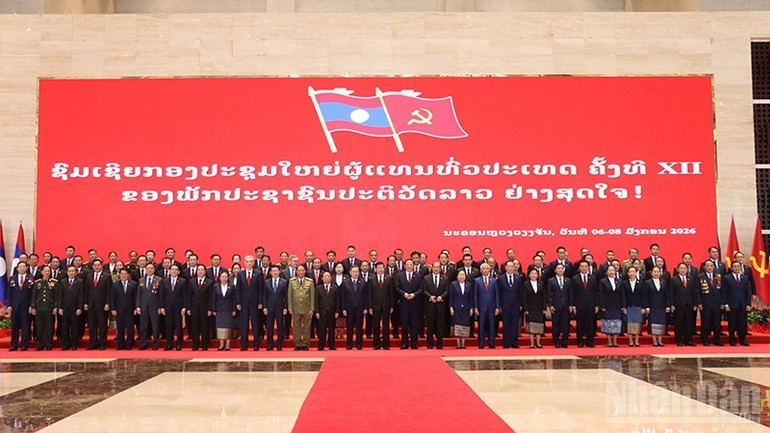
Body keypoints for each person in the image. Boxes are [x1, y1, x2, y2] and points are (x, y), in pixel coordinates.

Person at [236, 255, 264, 351]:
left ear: (253, 263)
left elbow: (261, 289)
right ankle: (244, 344)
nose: (249, 263)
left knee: (255, 324)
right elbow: (238, 289)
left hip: (255, 303)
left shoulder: (258, 273)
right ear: (244, 262)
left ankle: (256, 344)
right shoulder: (240, 274)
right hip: (243, 303)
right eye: (247, 261)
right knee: (244, 325)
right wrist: (238, 302)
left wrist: (260, 302)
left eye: (251, 261)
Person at [395, 259, 424, 349]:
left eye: (411, 264)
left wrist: (414, 294)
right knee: (404, 325)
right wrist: (403, 293)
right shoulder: (400, 276)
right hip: (404, 304)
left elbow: (421, 288)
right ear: (405, 266)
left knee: (414, 324)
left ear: (413, 266)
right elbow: (396, 287)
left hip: (415, 304)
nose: (409, 266)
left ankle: (414, 344)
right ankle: (404, 343)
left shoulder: (418, 276)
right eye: (407, 264)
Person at [84, 258, 112, 351]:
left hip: (102, 304)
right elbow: (86, 290)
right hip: (91, 304)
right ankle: (93, 343)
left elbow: (109, 291)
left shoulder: (107, 276)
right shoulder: (88, 276)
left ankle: (102, 343)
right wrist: (85, 302)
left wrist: (107, 303)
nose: (97, 267)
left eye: (98, 265)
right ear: (92, 266)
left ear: (102, 265)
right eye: (95, 265)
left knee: (102, 324)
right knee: (92, 325)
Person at [723, 261, 752, 346]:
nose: (737, 268)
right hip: (731, 304)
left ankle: (742, 339)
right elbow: (724, 292)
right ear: (731, 268)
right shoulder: (727, 278)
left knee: (742, 323)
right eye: (735, 267)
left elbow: (748, 292)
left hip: (742, 304)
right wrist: (726, 304)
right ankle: (732, 339)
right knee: (732, 323)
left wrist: (748, 304)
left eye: (738, 266)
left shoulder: (745, 278)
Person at [571, 260, 599, 348]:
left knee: (591, 324)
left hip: (591, 305)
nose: (584, 268)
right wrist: (573, 305)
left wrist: (596, 305)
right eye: (582, 266)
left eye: (585, 266)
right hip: (579, 305)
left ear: (588, 267)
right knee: (580, 324)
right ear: (579, 268)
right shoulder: (575, 278)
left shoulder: (593, 278)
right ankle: (580, 341)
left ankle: (590, 341)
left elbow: (596, 292)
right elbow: (572, 293)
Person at [56, 265, 84, 351]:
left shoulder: (80, 281)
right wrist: (60, 307)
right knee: (64, 327)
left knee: (75, 327)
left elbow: (81, 296)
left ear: (76, 272)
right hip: (65, 308)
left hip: (75, 308)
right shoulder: (62, 282)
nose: (71, 273)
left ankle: (74, 344)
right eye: (69, 271)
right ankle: (65, 344)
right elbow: (60, 296)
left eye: (73, 271)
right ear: (67, 272)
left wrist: (80, 308)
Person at [288, 265, 315, 351]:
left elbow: (312, 296)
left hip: (307, 308)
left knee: (307, 327)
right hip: (295, 307)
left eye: (302, 270)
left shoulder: (310, 281)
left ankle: (305, 344)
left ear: (305, 271)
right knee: (296, 327)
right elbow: (290, 295)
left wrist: (312, 308)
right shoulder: (292, 281)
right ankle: (297, 344)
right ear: (296, 271)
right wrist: (290, 307)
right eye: (299, 270)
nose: (301, 272)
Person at [670, 262, 698, 346]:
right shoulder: (673, 279)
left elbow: (694, 292)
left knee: (689, 323)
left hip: (689, 304)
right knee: (678, 323)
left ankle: (688, 340)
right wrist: (671, 304)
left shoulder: (690, 279)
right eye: (681, 268)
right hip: (678, 304)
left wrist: (695, 303)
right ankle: (679, 340)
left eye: (684, 268)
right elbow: (671, 293)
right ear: (678, 269)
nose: (683, 270)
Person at [160, 264, 187, 351]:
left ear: (178, 272)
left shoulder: (183, 281)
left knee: (179, 327)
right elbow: (162, 295)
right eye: (172, 269)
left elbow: (185, 295)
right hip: (167, 307)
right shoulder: (164, 281)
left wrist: (184, 307)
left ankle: (179, 344)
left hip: (179, 308)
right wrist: (162, 306)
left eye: (175, 270)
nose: (173, 271)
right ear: (169, 271)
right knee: (168, 327)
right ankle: (169, 344)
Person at [368, 262, 394, 350]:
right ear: (375, 269)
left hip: (386, 305)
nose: (380, 269)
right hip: (375, 306)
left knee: (386, 325)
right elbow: (369, 294)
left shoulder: (389, 278)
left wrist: (392, 306)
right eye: (378, 268)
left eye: (382, 268)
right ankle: (376, 344)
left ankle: (386, 344)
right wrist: (370, 307)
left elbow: (391, 293)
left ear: (384, 268)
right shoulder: (371, 279)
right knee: (376, 325)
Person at [137, 263, 162, 351]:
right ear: (145, 270)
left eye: (151, 268)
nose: (149, 270)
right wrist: (138, 306)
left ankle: (155, 344)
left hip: (155, 306)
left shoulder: (159, 280)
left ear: (154, 270)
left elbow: (161, 295)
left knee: (155, 326)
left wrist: (160, 307)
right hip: (143, 306)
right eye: (147, 268)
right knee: (143, 326)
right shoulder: (141, 280)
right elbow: (138, 294)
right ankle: (143, 344)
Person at [341, 266, 368, 350]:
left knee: (359, 327)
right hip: (349, 308)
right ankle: (349, 344)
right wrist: (343, 308)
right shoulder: (345, 282)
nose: (355, 273)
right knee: (349, 327)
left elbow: (366, 296)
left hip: (360, 308)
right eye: (353, 271)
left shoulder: (363, 282)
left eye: (357, 271)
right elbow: (342, 297)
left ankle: (359, 344)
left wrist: (366, 308)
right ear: (350, 272)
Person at [422, 262, 448, 349]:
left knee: (440, 325)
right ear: (432, 268)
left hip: (441, 305)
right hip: (430, 305)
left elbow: (447, 290)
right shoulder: (426, 278)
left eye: (438, 267)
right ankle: (430, 343)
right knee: (430, 325)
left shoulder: (445, 278)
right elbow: (424, 290)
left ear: (440, 269)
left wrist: (442, 296)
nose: (436, 269)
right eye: (434, 267)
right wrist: (430, 296)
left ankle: (439, 343)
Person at [110, 268, 138, 350]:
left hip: (130, 309)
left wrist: (136, 308)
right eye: (122, 274)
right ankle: (120, 344)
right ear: (119, 275)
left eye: (125, 274)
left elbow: (136, 297)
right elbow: (112, 297)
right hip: (119, 309)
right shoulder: (115, 284)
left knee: (130, 327)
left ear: (128, 274)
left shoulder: (133, 284)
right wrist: (113, 309)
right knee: (120, 327)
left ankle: (129, 343)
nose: (124, 275)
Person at [187, 264, 213, 351]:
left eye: (202, 270)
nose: (200, 271)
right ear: (196, 271)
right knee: (195, 326)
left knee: (205, 326)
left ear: (205, 271)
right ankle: (195, 344)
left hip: (205, 308)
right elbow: (189, 296)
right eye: (199, 270)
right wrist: (188, 308)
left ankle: (205, 344)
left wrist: (210, 309)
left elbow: (211, 297)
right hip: (194, 307)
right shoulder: (191, 281)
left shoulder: (209, 282)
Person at [31, 266, 57, 351]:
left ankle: (49, 343)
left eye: (48, 271)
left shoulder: (54, 282)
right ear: (41, 272)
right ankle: (40, 344)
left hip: (50, 308)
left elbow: (57, 296)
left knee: (50, 327)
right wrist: (33, 307)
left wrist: (55, 307)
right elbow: (34, 296)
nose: (47, 273)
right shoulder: (37, 283)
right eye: (45, 271)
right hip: (39, 308)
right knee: (39, 327)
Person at [498, 260, 523, 349]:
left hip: (516, 305)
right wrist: (499, 305)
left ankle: (514, 342)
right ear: (505, 268)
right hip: (505, 305)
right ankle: (506, 342)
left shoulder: (518, 278)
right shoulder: (501, 278)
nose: (510, 268)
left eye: (512, 266)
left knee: (515, 324)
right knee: (506, 324)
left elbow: (520, 292)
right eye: (508, 266)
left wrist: (521, 304)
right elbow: (499, 293)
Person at [474, 263, 499, 349]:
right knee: (481, 325)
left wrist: (497, 307)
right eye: (483, 269)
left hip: (492, 307)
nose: (485, 270)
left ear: (489, 270)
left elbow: (496, 294)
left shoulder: (494, 281)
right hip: (481, 307)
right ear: (480, 271)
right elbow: (475, 295)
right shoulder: (477, 281)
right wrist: (475, 307)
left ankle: (491, 343)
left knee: (492, 325)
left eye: (487, 269)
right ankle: (481, 343)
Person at [698, 260, 724, 346]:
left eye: (711, 266)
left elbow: (722, 290)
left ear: (714, 267)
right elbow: (697, 291)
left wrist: (722, 302)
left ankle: (717, 339)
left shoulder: (718, 276)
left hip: (717, 303)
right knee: (705, 322)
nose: (709, 267)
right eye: (707, 266)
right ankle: (705, 339)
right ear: (704, 267)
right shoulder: (700, 276)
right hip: (705, 303)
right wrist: (699, 303)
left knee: (717, 322)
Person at [598, 266, 625, 347]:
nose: (611, 272)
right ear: (607, 272)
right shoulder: (603, 281)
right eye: (609, 270)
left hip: (617, 305)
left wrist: (623, 305)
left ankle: (615, 340)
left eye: (613, 270)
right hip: (607, 305)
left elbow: (622, 294)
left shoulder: (619, 281)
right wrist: (602, 305)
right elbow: (601, 294)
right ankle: (609, 340)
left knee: (617, 323)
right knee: (608, 323)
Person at [263, 266, 288, 351]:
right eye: (273, 271)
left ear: (279, 272)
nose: (275, 272)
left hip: (280, 307)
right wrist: (265, 307)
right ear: (270, 272)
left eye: (277, 271)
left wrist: (285, 307)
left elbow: (286, 296)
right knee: (269, 326)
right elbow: (264, 296)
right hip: (269, 307)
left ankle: (279, 344)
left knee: (280, 326)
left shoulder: (284, 282)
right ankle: (269, 344)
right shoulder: (266, 282)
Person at [547, 263, 572, 348]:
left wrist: (571, 305)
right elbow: (548, 294)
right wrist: (550, 305)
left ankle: (564, 341)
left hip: (566, 306)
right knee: (556, 324)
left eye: (562, 268)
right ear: (555, 270)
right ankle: (556, 341)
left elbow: (571, 293)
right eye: (558, 268)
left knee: (565, 324)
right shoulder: (551, 280)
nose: (560, 270)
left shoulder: (568, 280)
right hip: (555, 306)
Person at [646, 267, 672, 347]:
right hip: (652, 306)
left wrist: (668, 305)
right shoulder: (647, 283)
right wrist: (647, 307)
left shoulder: (663, 282)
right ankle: (654, 340)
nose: (656, 273)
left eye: (658, 272)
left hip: (662, 306)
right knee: (653, 323)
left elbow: (667, 295)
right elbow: (645, 296)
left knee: (661, 322)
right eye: (654, 272)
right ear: (651, 273)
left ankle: (660, 340)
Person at [621, 267, 646, 347]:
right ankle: (631, 340)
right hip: (629, 306)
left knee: (637, 323)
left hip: (638, 306)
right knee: (630, 323)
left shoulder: (641, 283)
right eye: (630, 272)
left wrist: (644, 307)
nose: (631, 273)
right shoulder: (624, 283)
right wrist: (624, 307)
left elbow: (644, 296)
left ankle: (637, 340)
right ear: (627, 273)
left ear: (636, 273)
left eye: (633, 271)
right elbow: (623, 296)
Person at [211, 271, 237, 350]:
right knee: (220, 326)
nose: (224, 278)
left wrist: (234, 309)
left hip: (229, 309)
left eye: (225, 277)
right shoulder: (215, 286)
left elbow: (234, 299)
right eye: (222, 277)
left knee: (229, 326)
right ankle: (221, 344)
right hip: (219, 309)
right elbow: (213, 299)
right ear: (219, 278)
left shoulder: (231, 286)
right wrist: (213, 309)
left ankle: (228, 344)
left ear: (228, 278)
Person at [448, 268, 473, 348]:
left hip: (466, 307)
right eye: (460, 275)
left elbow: (471, 297)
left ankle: (463, 343)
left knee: (465, 324)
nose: (462, 276)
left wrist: (471, 308)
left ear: (465, 276)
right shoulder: (453, 284)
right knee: (457, 324)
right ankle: (458, 343)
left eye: (463, 275)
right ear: (457, 276)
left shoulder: (469, 285)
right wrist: (451, 307)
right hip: (456, 307)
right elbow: (451, 296)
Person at [523, 268, 547, 349]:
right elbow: (524, 297)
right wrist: (526, 309)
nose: (533, 275)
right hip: (530, 307)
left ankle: (538, 342)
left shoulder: (541, 283)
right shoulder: (526, 284)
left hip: (539, 307)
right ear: (529, 275)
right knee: (531, 324)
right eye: (532, 274)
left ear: (538, 275)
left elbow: (544, 296)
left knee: (539, 324)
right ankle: (532, 343)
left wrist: (544, 308)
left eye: (535, 274)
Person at [316, 271, 339, 351]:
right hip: (322, 311)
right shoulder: (318, 288)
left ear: (331, 278)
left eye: (328, 276)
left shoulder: (335, 287)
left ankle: (331, 345)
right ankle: (321, 345)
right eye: (325, 276)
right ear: (322, 278)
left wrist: (337, 311)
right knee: (322, 329)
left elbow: (337, 301)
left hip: (332, 311)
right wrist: (317, 311)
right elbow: (316, 301)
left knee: (332, 329)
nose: (327, 278)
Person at [332, 262, 347, 339]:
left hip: (344, 299)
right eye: (337, 267)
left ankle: (341, 333)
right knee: (335, 315)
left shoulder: (347, 277)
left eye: (340, 267)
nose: (339, 269)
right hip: (333, 300)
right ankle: (335, 332)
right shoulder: (331, 277)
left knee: (343, 316)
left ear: (343, 269)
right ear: (335, 269)